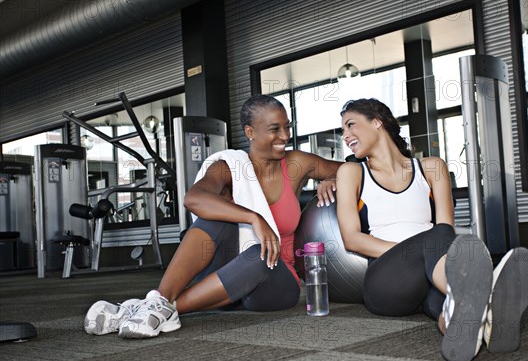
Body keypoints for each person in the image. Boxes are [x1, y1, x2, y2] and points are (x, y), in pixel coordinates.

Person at [84, 94, 342, 338]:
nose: (285, 136)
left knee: (258, 256)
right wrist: (254, 218)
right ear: (250, 132)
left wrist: (329, 180)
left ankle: (154, 307)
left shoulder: (297, 163)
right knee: (214, 218)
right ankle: (159, 303)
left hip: (274, 280)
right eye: (275, 129)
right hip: (225, 274)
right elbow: (194, 199)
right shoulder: (229, 166)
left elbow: (350, 170)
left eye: (287, 127)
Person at [335, 98, 528, 361]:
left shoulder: (432, 167)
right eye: (342, 130)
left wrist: (427, 255)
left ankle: (471, 325)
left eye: (350, 125)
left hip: (431, 274)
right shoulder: (351, 172)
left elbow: (446, 229)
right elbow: (352, 239)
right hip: (387, 283)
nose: (345, 136)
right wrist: (414, 251)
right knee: (439, 235)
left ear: (377, 122)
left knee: (443, 299)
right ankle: (484, 295)